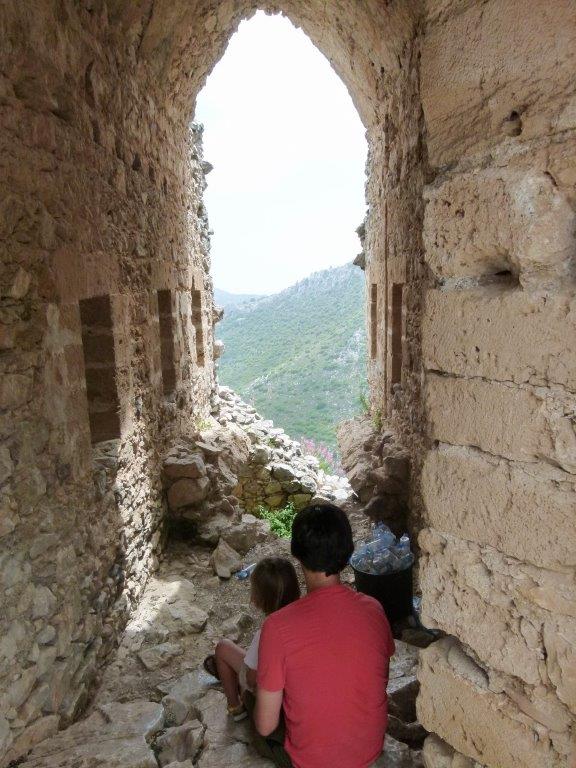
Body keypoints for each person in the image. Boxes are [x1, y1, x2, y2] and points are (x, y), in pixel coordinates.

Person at [252, 503, 395, 768]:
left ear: (296, 553)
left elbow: (265, 725)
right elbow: (377, 677)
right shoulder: (374, 609)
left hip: (313, 761)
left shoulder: (276, 627)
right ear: (348, 552)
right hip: (369, 750)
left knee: (257, 718)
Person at [203, 556, 300, 721]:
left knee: (223, 647)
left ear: (258, 599)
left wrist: (247, 682)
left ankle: (235, 706)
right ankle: (230, 674)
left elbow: (252, 679)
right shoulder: (307, 618)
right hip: (298, 688)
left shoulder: (267, 633)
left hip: (275, 699)